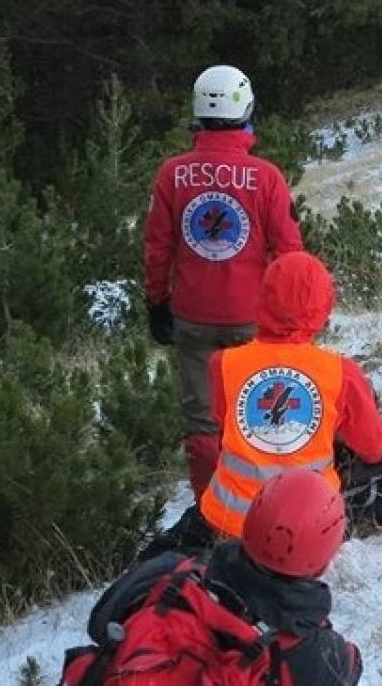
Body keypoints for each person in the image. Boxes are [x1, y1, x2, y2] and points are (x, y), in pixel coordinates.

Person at [143, 64, 305, 504]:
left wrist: (157, 302)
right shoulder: (266, 177)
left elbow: (158, 246)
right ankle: (266, 502)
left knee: (202, 422)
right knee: (260, 412)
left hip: (192, 315)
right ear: (246, 109)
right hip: (252, 317)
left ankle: (212, 511)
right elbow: (290, 252)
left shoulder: (171, 174)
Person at [62, 469, 364, 685]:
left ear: (250, 523)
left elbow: (100, 623)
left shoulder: (171, 573)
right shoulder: (316, 653)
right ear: (323, 561)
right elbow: (353, 666)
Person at [200, 251, 382, 539]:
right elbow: (373, 448)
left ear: (263, 297)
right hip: (308, 527)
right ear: (323, 305)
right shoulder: (341, 371)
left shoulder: (223, 364)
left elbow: (226, 427)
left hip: (229, 521)